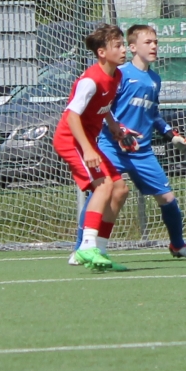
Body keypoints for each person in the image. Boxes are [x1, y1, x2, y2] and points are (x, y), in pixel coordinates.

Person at [101, 23, 186, 261]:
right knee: (104, 193)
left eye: (155, 42)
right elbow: (103, 109)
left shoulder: (154, 79)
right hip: (112, 147)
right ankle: (84, 246)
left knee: (167, 198)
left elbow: (152, 114)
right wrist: (120, 131)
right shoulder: (120, 74)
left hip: (141, 152)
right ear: (132, 47)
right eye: (148, 42)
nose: (153, 46)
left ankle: (178, 245)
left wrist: (171, 135)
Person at [56, 23, 135, 272]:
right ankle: (86, 246)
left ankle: (99, 250)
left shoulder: (116, 75)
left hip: (87, 141)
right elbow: (72, 116)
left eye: (123, 45)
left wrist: (113, 126)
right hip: (71, 140)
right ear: (102, 52)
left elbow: (104, 104)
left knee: (120, 190)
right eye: (117, 46)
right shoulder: (90, 80)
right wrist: (88, 149)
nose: (124, 50)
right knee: (103, 185)